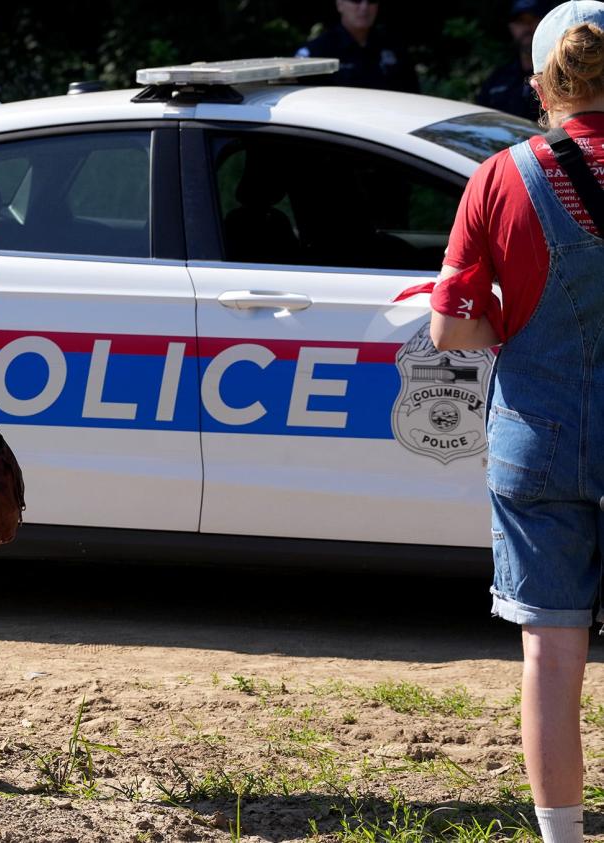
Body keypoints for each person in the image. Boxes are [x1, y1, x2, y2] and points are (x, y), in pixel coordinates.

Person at [429, 4, 604, 841]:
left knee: (551, 656)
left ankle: (563, 834)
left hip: (538, 442)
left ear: (539, 85)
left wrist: (512, 327)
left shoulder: (500, 178)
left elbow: (451, 329)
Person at [296, 0, 420, 93]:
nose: (364, 7)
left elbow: (413, 96)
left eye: (371, 1)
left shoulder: (395, 48)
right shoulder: (318, 51)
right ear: (340, 4)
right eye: (356, 0)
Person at [478, 0, 549, 120]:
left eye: (533, 19)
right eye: (520, 21)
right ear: (511, 27)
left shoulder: (558, 78)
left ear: (546, 24)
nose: (527, 27)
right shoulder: (497, 79)